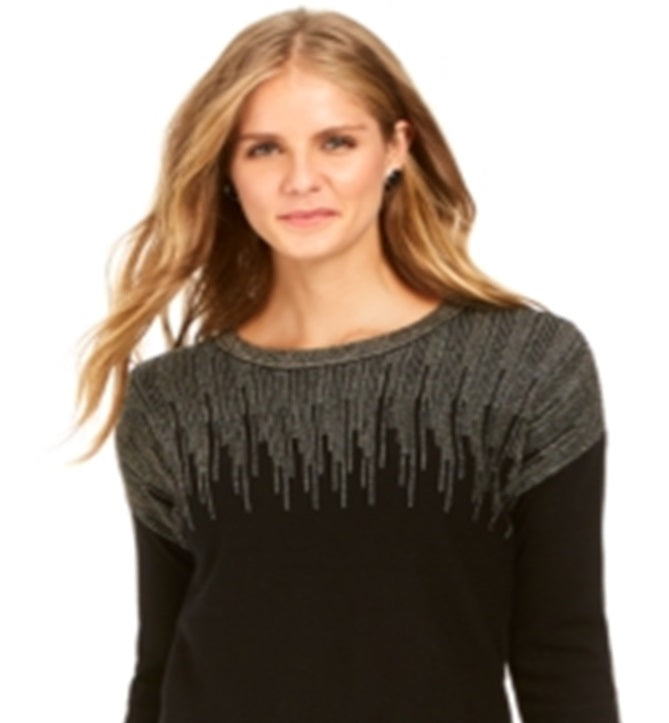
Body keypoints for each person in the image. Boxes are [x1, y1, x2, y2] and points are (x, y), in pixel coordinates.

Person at [76, 8, 619, 722]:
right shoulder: (174, 399)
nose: (302, 179)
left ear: (396, 147)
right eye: (263, 149)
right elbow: (159, 669)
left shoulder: (523, 368)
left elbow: (563, 655)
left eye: (336, 142)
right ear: (227, 170)